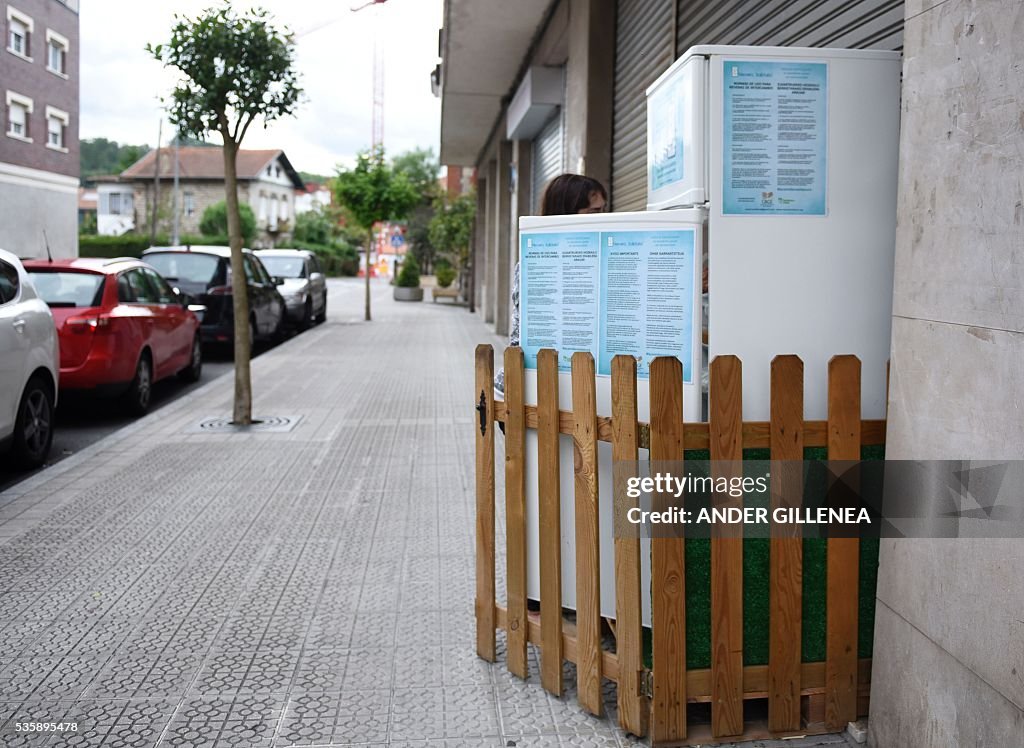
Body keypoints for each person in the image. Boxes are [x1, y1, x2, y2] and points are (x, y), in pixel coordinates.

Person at [496, 174, 608, 397]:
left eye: (604, 211)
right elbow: (522, 334)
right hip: (533, 386)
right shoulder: (535, 262)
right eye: (594, 212)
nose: (603, 218)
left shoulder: (599, 258)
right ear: (567, 212)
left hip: (580, 387)